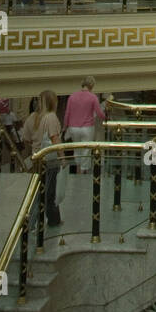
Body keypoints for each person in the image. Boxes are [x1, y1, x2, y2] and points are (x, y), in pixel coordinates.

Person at [22, 90, 65, 227]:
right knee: (49, 191)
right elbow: (55, 138)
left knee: (38, 190)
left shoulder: (32, 117)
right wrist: (63, 158)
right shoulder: (51, 117)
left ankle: (51, 218)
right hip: (49, 160)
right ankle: (41, 220)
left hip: (36, 159)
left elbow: (26, 139)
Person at [63, 76, 105, 173]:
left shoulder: (72, 96)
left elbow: (67, 113)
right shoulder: (93, 97)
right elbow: (99, 113)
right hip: (87, 128)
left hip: (73, 128)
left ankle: (78, 170)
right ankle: (83, 173)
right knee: (86, 151)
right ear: (92, 86)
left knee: (77, 150)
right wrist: (105, 118)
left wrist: (65, 127)